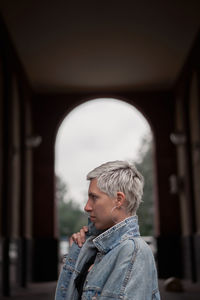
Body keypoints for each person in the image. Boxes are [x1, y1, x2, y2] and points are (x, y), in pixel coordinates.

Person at [55, 161, 160, 300]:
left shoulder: (132, 252)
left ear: (118, 200)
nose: (87, 207)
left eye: (94, 197)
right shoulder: (93, 248)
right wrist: (77, 253)